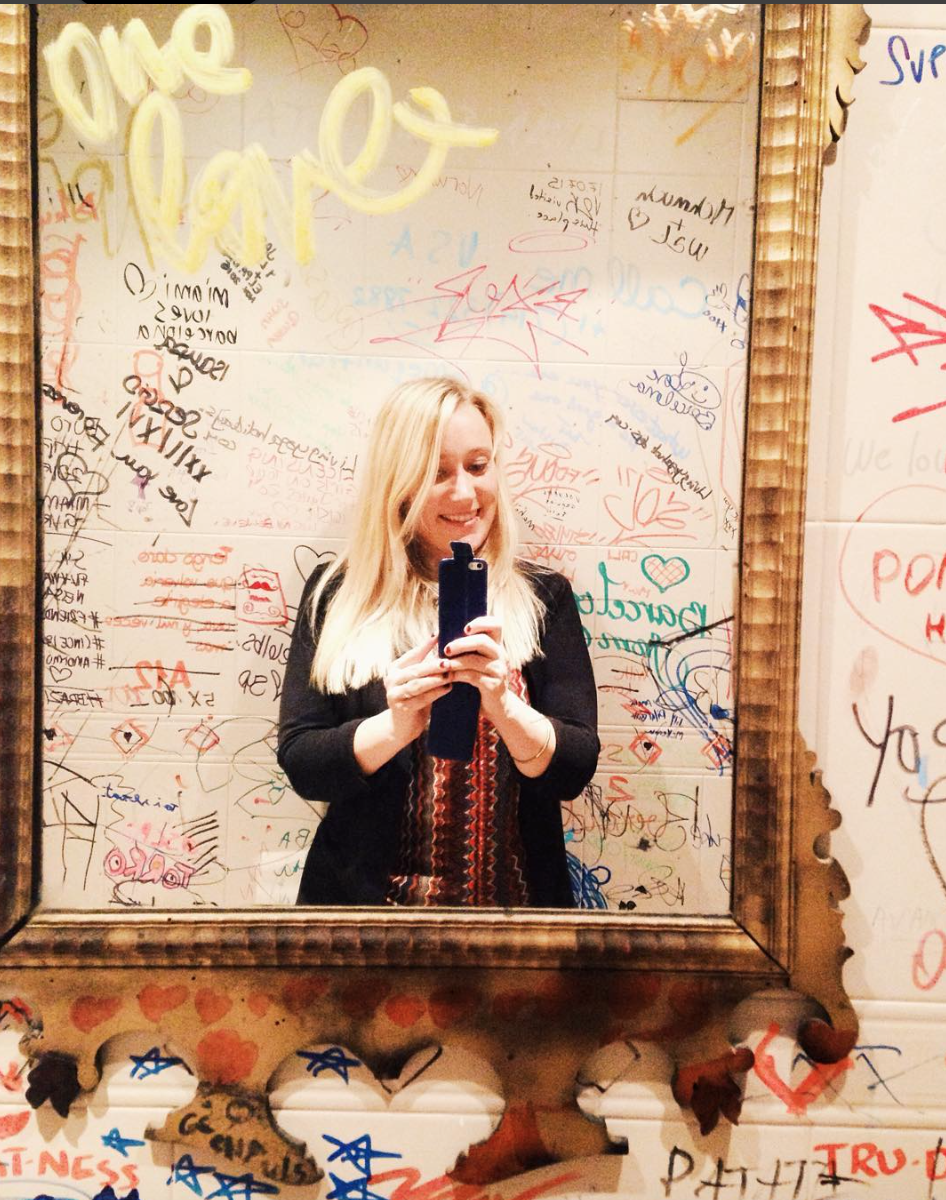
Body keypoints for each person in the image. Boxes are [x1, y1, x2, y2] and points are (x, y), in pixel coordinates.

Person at [277, 376, 598, 907]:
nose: (465, 494)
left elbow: (575, 769)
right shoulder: (339, 594)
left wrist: (505, 708)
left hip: (517, 921)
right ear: (398, 483)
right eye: (437, 472)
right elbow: (303, 762)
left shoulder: (544, 597)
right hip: (363, 920)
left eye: (478, 465)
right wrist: (396, 725)